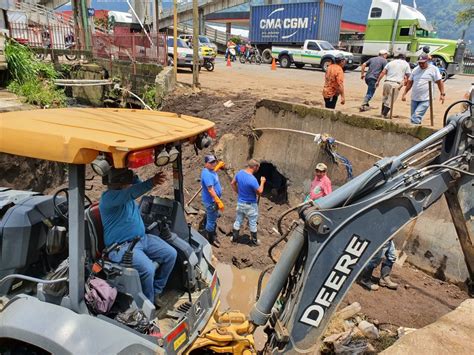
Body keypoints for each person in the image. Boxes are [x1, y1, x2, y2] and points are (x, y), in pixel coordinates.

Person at [99, 169, 177, 307]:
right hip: (121, 247)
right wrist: (151, 182)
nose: (131, 183)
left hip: (141, 239)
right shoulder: (109, 198)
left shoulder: (124, 196)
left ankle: (157, 290)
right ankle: (148, 305)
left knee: (171, 254)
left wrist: (135, 177)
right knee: (148, 269)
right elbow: (132, 192)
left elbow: (136, 188)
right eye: (128, 181)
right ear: (120, 184)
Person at [401, 54, 446, 124]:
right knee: (413, 118)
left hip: (426, 99)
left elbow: (440, 82)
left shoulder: (433, 69)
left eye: (423, 63)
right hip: (414, 98)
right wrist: (404, 93)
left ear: (427, 61)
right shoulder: (415, 70)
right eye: (419, 63)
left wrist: (442, 94)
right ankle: (415, 131)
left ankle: (412, 131)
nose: (421, 65)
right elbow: (410, 83)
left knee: (416, 116)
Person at [231, 159, 266, 246]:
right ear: (255, 167)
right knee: (253, 222)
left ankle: (234, 238)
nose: (258, 169)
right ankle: (254, 242)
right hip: (250, 205)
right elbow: (260, 192)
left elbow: (232, 183)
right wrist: (262, 182)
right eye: (258, 167)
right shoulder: (252, 179)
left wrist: (238, 192)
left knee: (238, 220)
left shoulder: (240, 173)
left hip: (240, 202)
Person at [376, 53, 411, 118]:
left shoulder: (390, 63)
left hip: (387, 82)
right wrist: (407, 83)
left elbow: (383, 72)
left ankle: (382, 113)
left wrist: (378, 81)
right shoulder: (406, 64)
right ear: (404, 58)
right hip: (396, 84)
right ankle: (384, 114)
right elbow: (408, 75)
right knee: (390, 100)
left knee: (385, 99)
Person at [201, 154, 224, 248]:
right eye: (211, 162)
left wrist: (218, 167)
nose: (214, 164)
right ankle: (210, 238)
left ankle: (210, 217)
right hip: (211, 201)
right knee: (211, 221)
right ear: (206, 164)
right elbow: (210, 190)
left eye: (214, 162)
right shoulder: (207, 174)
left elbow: (213, 171)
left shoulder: (210, 171)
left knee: (212, 215)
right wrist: (218, 201)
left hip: (212, 200)